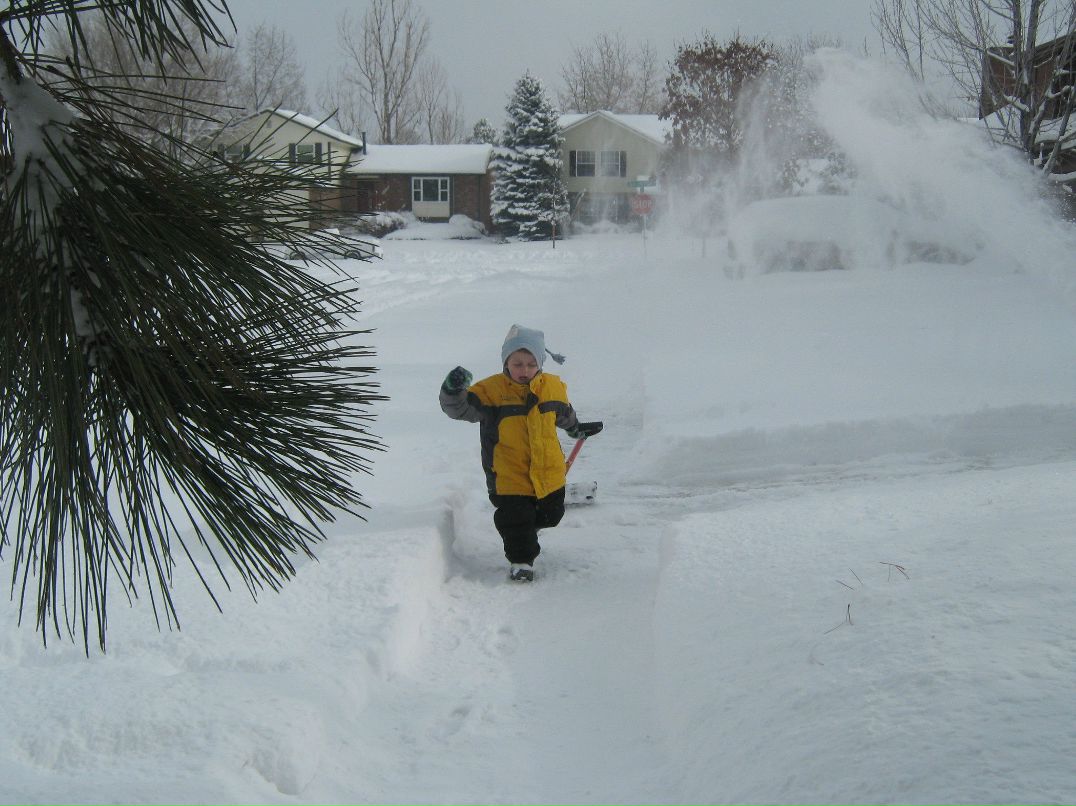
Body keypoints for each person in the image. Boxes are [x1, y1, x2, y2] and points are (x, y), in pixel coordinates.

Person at [439, 324, 602, 582]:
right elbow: (459, 409)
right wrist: (452, 390)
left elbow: (565, 414)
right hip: (508, 475)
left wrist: (575, 429)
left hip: (549, 473)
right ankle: (521, 561)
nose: (524, 370)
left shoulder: (553, 387)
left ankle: (528, 528)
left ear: (540, 364)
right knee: (515, 521)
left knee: (552, 516)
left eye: (530, 364)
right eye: (517, 363)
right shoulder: (492, 392)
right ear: (506, 361)